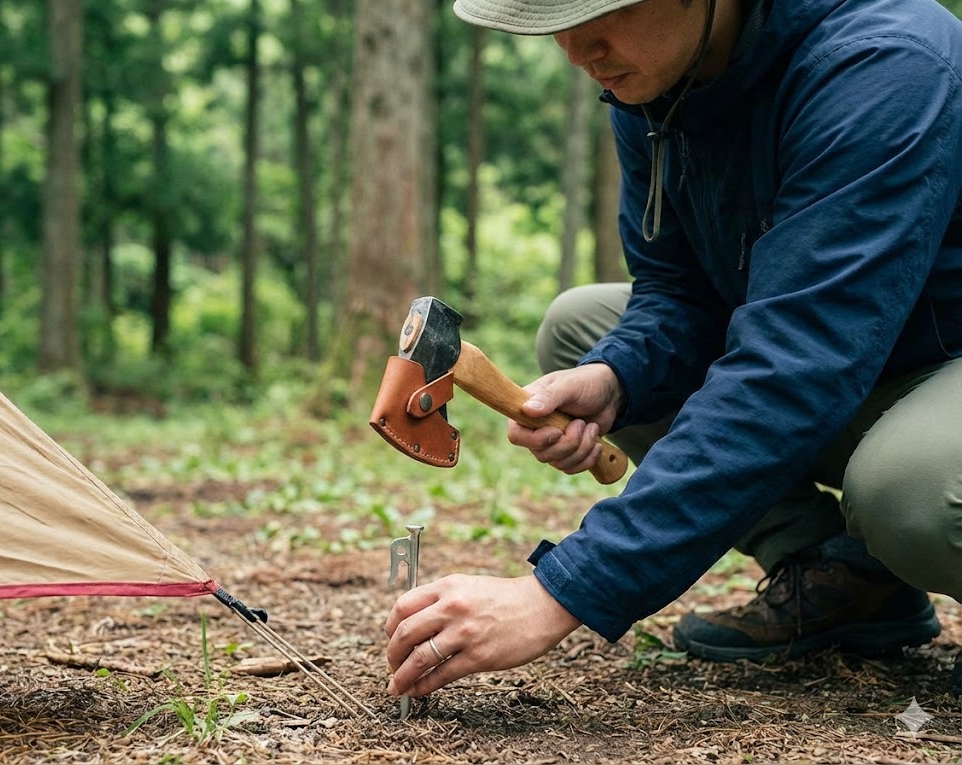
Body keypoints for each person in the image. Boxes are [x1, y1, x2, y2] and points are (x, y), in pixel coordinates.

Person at [385, 0, 962, 702]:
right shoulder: (658, 81)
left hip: (927, 362)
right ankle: (847, 583)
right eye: (554, 21)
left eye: (604, 11)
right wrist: (617, 376)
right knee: (581, 329)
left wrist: (559, 590)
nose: (576, 48)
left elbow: (795, 365)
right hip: (857, 358)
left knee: (912, 493)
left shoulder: (884, 65)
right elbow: (677, 290)